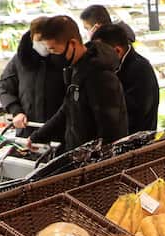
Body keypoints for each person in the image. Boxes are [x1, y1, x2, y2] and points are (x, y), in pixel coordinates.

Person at [30, 15, 128, 151]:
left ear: (72, 44)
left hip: (94, 165)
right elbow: (67, 109)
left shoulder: (100, 76)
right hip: (77, 156)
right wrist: (37, 137)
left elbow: (112, 131)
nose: (52, 55)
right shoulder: (77, 70)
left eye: (53, 49)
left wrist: (100, 167)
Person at [0, 16, 67, 137]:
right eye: (40, 39)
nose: (44, 44)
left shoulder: (64, 59)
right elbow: (4, 87)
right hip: (28, 130)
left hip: (59, 132)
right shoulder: (21, 59)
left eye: (47, 39)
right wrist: (16, 112)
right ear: (32, 37)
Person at [91, 22, 160, 135]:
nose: (98, 57)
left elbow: (133, 113)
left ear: (117, 50)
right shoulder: (117, 65)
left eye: (101, 52)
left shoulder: (140, 69)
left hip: (137, 142)